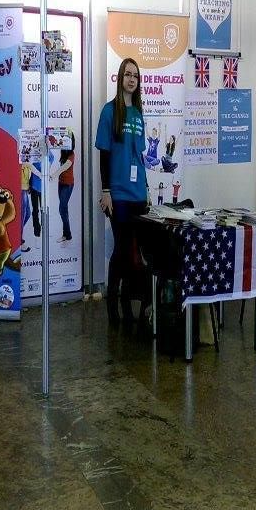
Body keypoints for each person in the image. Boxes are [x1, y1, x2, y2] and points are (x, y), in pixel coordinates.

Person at [95, 58, 147, 327]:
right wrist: (106, 191)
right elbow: (104, 155)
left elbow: (139, 156)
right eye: (128, 74)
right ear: (120, 78)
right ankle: (112, 304)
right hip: (118, 194)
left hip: (138, 194)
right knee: (121, 249)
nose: (131, 79)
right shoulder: (109, 111)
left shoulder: (138, 113)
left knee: (132, 253)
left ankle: (127, 303)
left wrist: (146, 189)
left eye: (135, 76)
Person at [50, 133, 75, 243]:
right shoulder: (63, 151)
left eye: (67, 139)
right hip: (61, 183)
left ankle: (67, 234)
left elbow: (64, 167)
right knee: (64, 209)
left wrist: (54, 175)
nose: (65, 140)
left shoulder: (71, 154)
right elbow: (53, 142)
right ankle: (67, 235)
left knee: (62, 208)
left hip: (68, 184)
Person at [21, 163, 32, 252]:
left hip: (25, 189)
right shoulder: (20, 161)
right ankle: (20, 241)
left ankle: (17, 234)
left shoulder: (26, 160)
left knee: (27, 214)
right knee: (22, 216)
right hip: (20, 190)